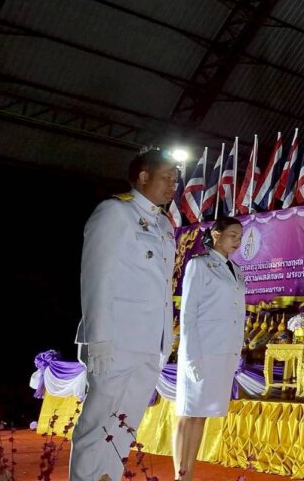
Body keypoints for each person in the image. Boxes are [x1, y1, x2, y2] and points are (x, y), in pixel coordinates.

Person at [70, 149, 179, 481]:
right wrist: (98, 339)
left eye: (175, 179)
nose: (173, 185)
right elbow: (96, 278)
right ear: (143, 176)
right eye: (166, 177)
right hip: (115, 340)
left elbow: (161, 288)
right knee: (97, 425)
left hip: (149, 343)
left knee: (124, 426)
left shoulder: (163, 224)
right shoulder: (115, 212)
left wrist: (165, 339)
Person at [173, 216, 246, 481]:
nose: (237, 242)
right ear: (216, 234)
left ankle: (188, 473)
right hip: (201, 350)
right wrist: (191, 356)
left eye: (240, 238)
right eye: (232, 235)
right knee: (188, 413)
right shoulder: (200, 265)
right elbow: (188, 314)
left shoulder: (235, 270)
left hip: (222, 352)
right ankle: (180, 475)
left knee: (201, 414)